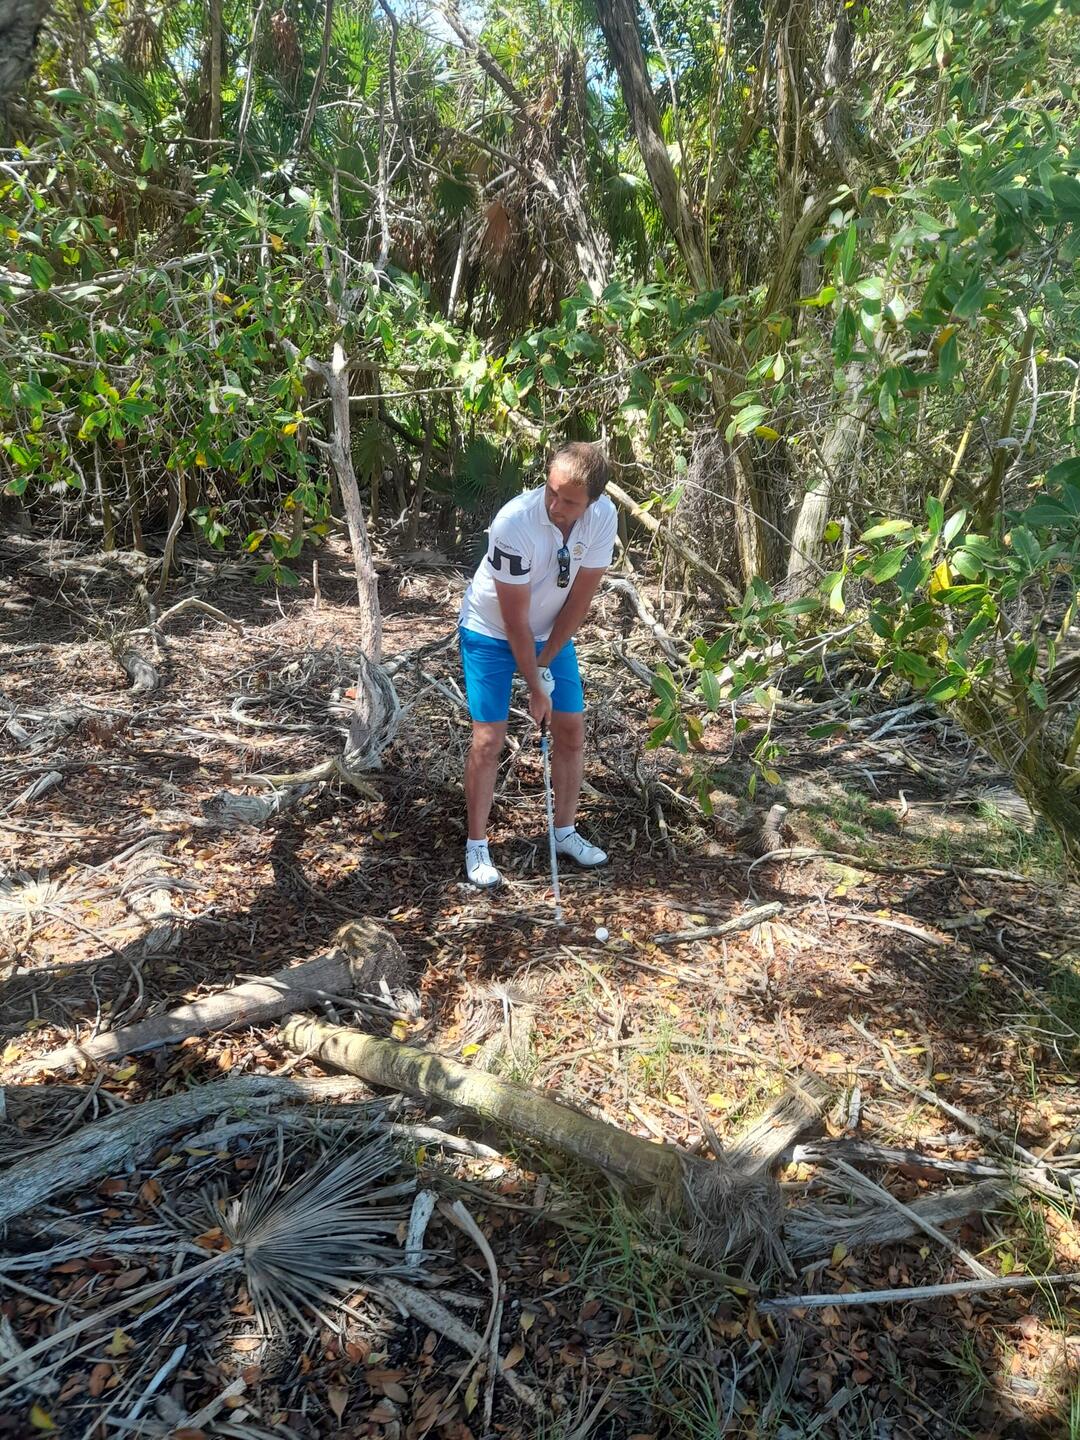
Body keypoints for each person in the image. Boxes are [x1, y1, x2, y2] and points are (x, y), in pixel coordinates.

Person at [458, 442, 617, 888]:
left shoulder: (604, 518)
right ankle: (477, 846)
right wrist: (535, 683)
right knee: (489, 740)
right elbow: (513, 620)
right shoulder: (514, 522)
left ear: (593, 501)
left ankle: (564, 831)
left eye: (569, 500)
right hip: (489, 631)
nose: (556, 505)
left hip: (550, 634)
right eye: (551, 492)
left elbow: (580, 600)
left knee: (571, 729)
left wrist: (545, 666)